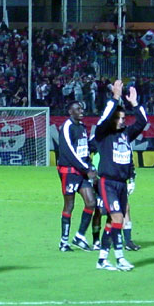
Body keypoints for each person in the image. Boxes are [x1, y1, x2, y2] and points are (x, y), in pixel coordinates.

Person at [94, 80, 147, 271]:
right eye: (119, 118)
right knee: (117, 218)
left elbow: (143, 122)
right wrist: (115, 97)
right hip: (108, 183)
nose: (122, 121)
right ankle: (120, 258)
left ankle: (101, 259)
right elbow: (104, 117)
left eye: (124, 118)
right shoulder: (103, 134)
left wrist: (135, 103)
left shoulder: (126, 134)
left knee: (111, 222)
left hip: (121, 184)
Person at [56, 101, 97, 252]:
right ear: (70, 111)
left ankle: (79, 236)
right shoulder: (67, 127)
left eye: (82, 108)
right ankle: (63, 242)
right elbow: (69, 152)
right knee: (69, 205)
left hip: (81, 171)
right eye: (78, 109)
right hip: (69, 171)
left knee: (91, 202)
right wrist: (87, 169)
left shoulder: (82, 127)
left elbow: (85, 148)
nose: (82, 111)